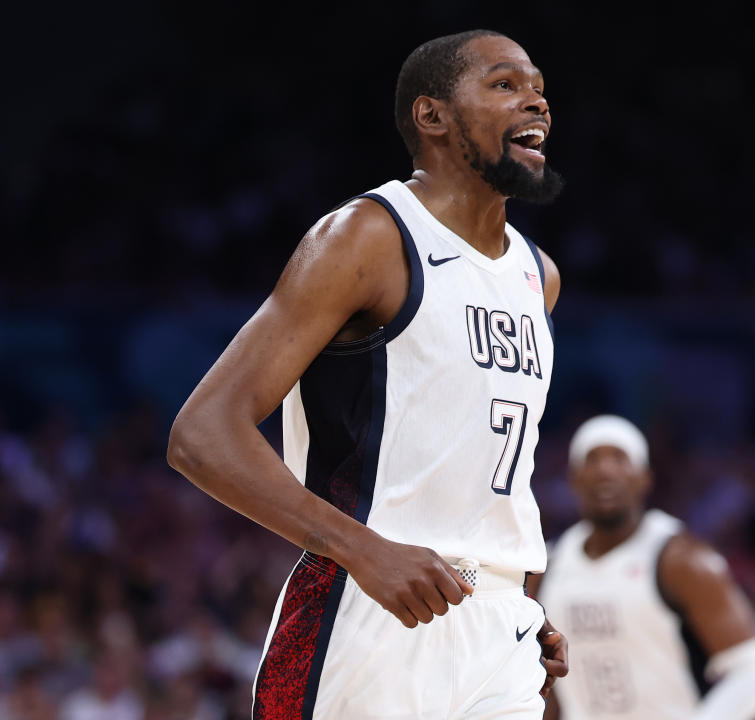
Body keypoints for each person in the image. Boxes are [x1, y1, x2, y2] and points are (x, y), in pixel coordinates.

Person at [167, 29, 568, 719]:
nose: (535, 101)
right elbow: (202, 433)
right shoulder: (369, 236)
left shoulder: (539, 276)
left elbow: (480, 467)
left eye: (538, 87)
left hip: (498, 630)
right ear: (432, 116)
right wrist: (364, 552)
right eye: (505, 84)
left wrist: (516, 591)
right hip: (369, 616)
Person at [531, 416, 755, 720]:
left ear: (645, 477)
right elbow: (546, 683)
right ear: (573, 478)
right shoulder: (548, 565)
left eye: (619, 458)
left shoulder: (681, 559)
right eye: (592, 459)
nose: (605, 470)